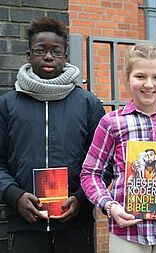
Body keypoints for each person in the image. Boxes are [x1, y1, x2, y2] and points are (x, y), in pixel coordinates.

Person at [80, 43, 156, 253]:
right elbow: (90, 173)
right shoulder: (112, 123)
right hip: (127, 230)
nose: (149, 84)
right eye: (140, 76)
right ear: (128, 78)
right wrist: (110, 206)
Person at [0, 16, 105, 253]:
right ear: (28, 56)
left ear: (65, 57)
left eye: (56, 52)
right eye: (40, 50)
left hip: (75, 226)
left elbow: (102, 163)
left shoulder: (88, 104)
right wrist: (14, 196)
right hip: (25, 224)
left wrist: (81, 198)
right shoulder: (7, 104)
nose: (48, 57)